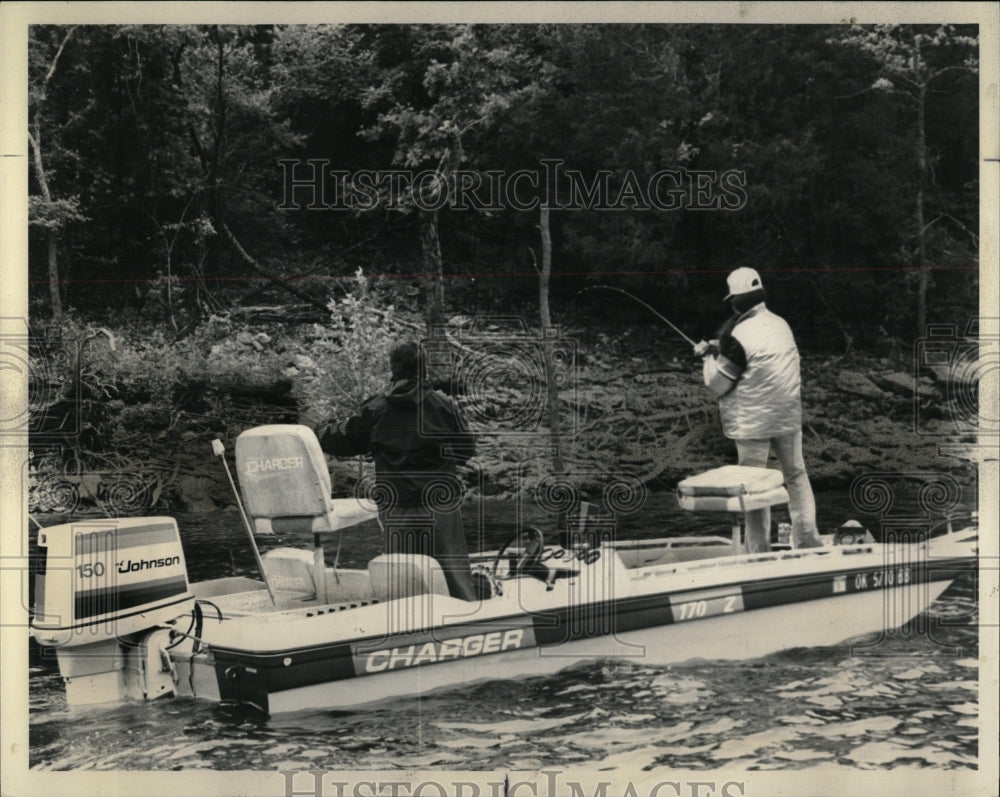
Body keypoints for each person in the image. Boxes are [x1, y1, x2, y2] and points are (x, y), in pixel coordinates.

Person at [318, 340, 478, 601]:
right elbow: (467, 450)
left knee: (403, 582)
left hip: (398, 508)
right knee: (454, 578)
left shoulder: (376, 408)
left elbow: (343, 441)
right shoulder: (445, 407)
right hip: (441, 507)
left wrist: (322, 428)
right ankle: (465, 621)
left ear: (393, 368)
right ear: (424, 369)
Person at [694, 267, 824, 552]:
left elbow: (718, 384)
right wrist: (721, 347)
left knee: (753, 482)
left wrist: (706, 358)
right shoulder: (780, 324)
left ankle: (758, 551)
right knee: (796, 476)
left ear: (737, 300)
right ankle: (807, 541)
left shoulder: (738, 334)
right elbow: (761, 357)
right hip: (787, 417)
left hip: (753, 423)